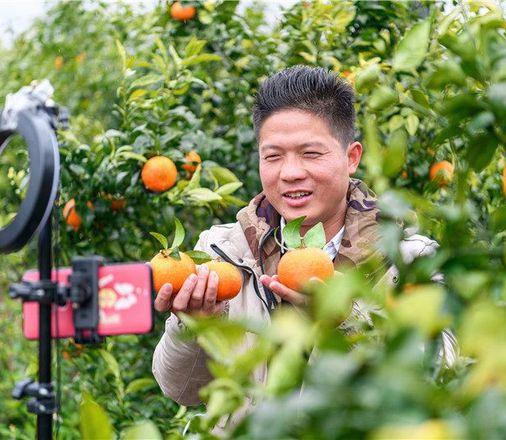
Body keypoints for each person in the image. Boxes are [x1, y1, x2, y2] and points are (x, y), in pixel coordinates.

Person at [152, 65, 452, 417]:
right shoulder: (223, 253)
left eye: (310, 153)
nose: (290, 172)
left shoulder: (412, 261)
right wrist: (196, 324)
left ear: (351, 157)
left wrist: (348, 320)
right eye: (273, 156)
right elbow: (182, 389)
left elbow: (442, 376)